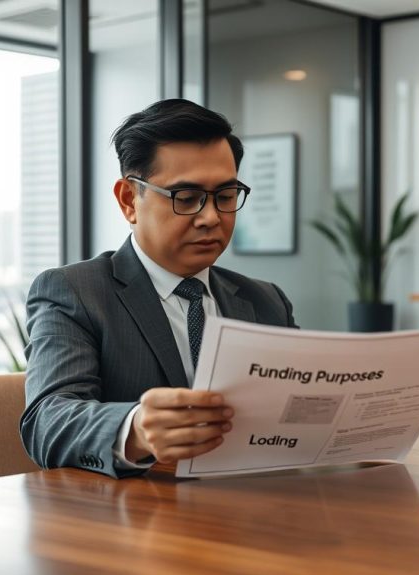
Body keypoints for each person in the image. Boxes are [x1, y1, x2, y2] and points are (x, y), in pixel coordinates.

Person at [20, 99, 297, 478]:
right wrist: (134, 429)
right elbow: (47, 420)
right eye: (186, 198)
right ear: (129, 200)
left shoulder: (266, 301)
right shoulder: (74, 292)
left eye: (226, 196)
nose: (211, 217)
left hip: (253, 508)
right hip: (135, 521)